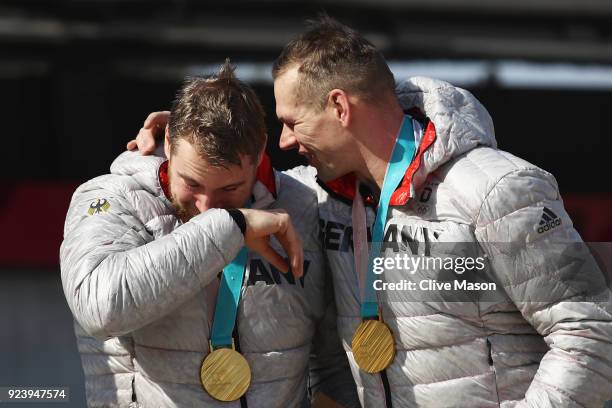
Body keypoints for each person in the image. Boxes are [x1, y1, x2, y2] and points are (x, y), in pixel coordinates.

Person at [132, 17, 612, 408]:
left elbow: (591, 336)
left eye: (292, 122)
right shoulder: (315, 200)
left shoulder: (496, 189)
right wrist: (166, 153)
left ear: (339, 106)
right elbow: (221, 188)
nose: (284, 143)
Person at [61, 61, 358, 407]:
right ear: (169, 142)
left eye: (230, 188)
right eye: (192, 183)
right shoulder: (110, 198)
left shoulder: (302, 205)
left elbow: (331, 355)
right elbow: (99, 307)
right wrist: (231, 226)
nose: (207, 205)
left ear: (260, 152)